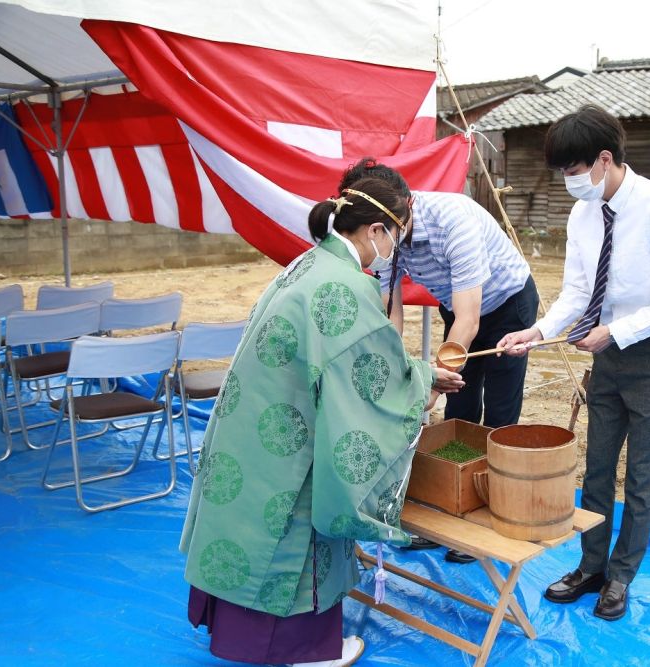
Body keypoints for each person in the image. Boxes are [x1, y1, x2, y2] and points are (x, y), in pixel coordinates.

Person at [180, 177, 464, 667]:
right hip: (293, 440)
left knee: (255, 524)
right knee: (295, 528)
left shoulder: (307, 263)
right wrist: (422, 384)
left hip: (254, 422)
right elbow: (367, 383)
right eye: (398, 233)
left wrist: (413, 374)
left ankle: (251, 635)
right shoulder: (347, 287)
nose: (395, 247)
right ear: (377, 229)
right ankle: (308, 652)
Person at [498, 105, 650, 621]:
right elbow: (579, 291)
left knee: (642, 477)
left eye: (572, 170)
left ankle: (622, 577)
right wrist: (537, 332)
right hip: (606, 359)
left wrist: (617, 331)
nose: (569, 181)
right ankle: (591, 567)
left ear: (603, 160)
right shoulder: (582, 214)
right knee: (597, 470)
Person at [339, 158, 538, 563]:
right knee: (459, 412)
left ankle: (489, 519)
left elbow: (470, 319)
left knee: (498, 415)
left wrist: (429, 383)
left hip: (506, 306)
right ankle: (455, 510)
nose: (378, 236)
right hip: (458, 306)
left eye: (382, 226)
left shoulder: (454, 220)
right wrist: (392, 373)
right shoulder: (385, 233)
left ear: (405, 204)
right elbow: (390, 314)